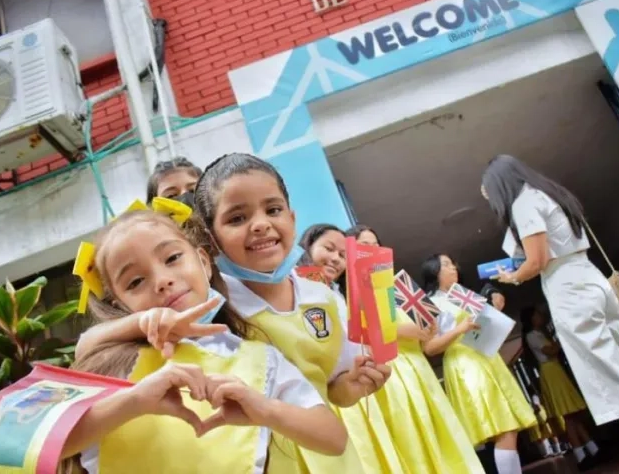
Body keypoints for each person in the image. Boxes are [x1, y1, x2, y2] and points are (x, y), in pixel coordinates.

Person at [78, 154, 389, 472]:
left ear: (292, 218)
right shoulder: (206, 302)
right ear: (209, 238)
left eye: (273, 210)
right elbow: (89, 347)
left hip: (326, 457)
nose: (260, 224)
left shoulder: (322, 297)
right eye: (237, 218)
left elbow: (332, 394)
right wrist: (141, 323)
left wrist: (354, 385)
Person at [63, 209, 347, 473]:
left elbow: (333, 438)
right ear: (120, 304)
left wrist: (264, 409)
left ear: (202, 261)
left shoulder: (260, 358)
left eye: (172, 258)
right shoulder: (113, 362)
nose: (162, 280)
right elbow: (50, 446)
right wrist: (135, 400)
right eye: (135, 282)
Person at [481, 154, 619, 474]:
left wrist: (512, 276)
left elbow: (536, 260)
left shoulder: (524, 204)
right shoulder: (550, 193)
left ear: (500, 184)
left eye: (487, 190)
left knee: (615, 374)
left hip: (569, 289)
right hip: (591, 278)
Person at [344, 225, 484, 473]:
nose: (374, 249)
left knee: (438, 432)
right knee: (412, 438)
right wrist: (401, 331)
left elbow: (417, 328)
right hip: (393, 371)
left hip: (418, 366)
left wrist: (425, 330)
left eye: (376, 244)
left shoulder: (392, 286)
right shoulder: (352, 288)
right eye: (366, 244)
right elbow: (359, 330)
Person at [297, 223, 406, 473]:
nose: (336, 258)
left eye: (344, 255)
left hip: (338, 396)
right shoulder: (291, 287)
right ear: (308, 246)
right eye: (328, 248)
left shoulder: (341, 296)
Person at [421, 253, 537, 474]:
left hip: (486, 358)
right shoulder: (431, 303)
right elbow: (430, 348)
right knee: (503, 427)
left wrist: (494, 308)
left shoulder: (463, 294)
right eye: (446, 264)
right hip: (466, 365)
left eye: (453, 263)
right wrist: (459, 329)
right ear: (433, 272)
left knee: (506, 427)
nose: (453, 267)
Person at [521, 305, 600, 468]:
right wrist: (559, 338)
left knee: (573, 414)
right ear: (531, 319)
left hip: (555, 370)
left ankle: (591, 450)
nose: (540, 316)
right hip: (551, 372)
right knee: (569, 415)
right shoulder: (532, 336)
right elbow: (550, 351)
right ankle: (581, 455)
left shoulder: (539, 334)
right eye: (537, 314)